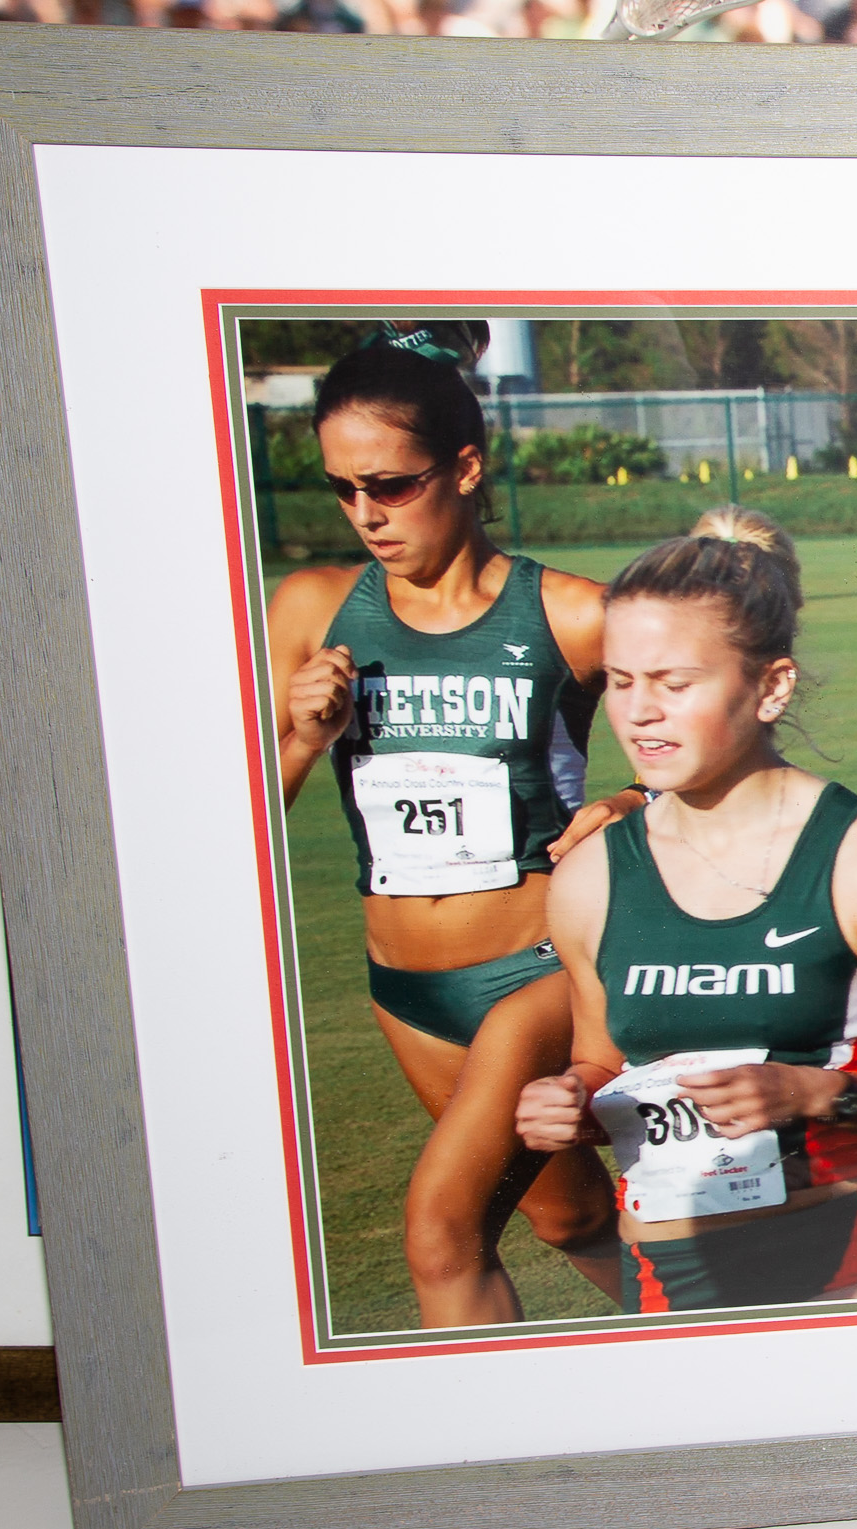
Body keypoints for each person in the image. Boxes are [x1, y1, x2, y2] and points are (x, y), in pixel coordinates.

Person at [514, 511, 857, 1313]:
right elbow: (608, 1066)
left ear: (771, 686)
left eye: (673, 684)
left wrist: (809, 1093)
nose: (638, 713)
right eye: (621, 682)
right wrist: (568, 1098)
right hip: (671, 1270)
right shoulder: (590, 877)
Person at [266, 336, 623, 1327]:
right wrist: (299, 734)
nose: (365, 512)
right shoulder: (311, 607)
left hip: (540, 969)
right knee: (568, 1218)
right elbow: (228, 826)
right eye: (342, 489)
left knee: (441, 1231)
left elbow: (716, 747)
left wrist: (633, 802)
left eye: (390, 483)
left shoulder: (574, 614)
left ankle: (489, 1464)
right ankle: (732, 1356)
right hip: (405, 989)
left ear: (465, 467)